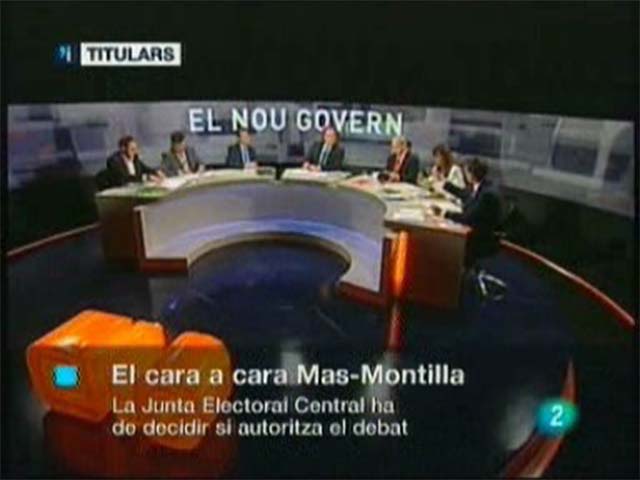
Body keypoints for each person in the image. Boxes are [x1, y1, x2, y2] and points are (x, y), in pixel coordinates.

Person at [431, 158, 502, 266]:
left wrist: (444, 213)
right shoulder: (481, 186)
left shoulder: (486, 195)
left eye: (466, 172)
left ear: (471, 174)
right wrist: (444, 183)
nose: (465, 176)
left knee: (444, 242)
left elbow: (467, 218)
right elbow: (463, 193)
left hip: (479, 240)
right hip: (474, 232)